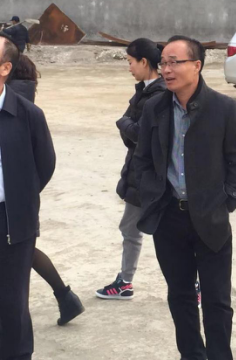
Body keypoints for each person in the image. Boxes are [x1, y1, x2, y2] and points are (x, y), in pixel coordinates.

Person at [133, 35, 236, 360]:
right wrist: (152, 195)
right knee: (180, 296)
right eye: (163, 63)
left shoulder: (224, 108)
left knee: (217, 300)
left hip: (211, 218)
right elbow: (142, 159)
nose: (167, 70)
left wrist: (226, 201)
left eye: (175, 62)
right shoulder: (155, 107)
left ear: (197, 65)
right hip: (169, 216)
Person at [7, 54, 85, 326]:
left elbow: (45, 161)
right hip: (21, 195)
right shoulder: (25, 97)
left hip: (14, 197)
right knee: (24, 250)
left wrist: (22, 189)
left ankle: (64, 297)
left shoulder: (16, 104)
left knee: (21, 251)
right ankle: (65, 297)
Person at [96, 38, 166, 300]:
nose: (129, 67)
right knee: (130, 229)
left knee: (170, 234)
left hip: (155, 177)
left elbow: (139, 134)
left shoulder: (159, 95)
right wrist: (128, 127)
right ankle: (125, 282)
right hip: (137, 174)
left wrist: (124, 124)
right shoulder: (143, 91)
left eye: (130, 62)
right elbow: (132, 135)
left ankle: (194, 285)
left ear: (144, 62)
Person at [0, 32, 55, 359]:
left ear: (5, 68)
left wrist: (19, 197)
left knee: (11, 302)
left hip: (11, 220)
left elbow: (44, 165)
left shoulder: (27, 115)